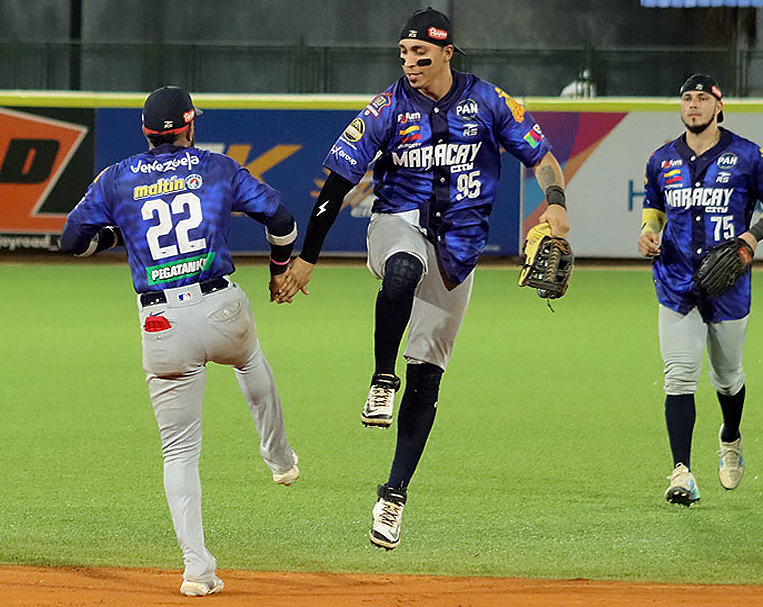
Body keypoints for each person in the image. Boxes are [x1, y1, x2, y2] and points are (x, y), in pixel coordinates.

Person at [274, 7, 569, 549]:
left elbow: (543, 157)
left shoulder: (489, 102)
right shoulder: (386, 108)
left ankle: (392, 497)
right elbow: (336, 185)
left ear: (447, 54)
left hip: (460, 251)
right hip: (397, 222)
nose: (410, 63)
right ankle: (382, 378)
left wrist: (555, 203)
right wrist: (308, 256)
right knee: (403, 269)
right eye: (405, 53)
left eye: (422, 54)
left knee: (428, 378)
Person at [59, 85, 300, 596]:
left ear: (146, 132)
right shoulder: (216, 167)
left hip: (161, 323)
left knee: (179, 453)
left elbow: (72, 241)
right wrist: (280, 268)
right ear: (190, 126)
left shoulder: (117, 177)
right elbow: (280, 218)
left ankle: (197, 572)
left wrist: (120, 233)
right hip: (221, 306)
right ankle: (279, 459)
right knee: (250, 361)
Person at [637, 74, 763, 506]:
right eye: (687, 99)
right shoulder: (662, 158)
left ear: (718, 107)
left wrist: (752, 236)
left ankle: (730, 435)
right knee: (679, 377)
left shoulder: (747, 154)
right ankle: (681, 472)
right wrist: (649, 231)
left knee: (727, 378)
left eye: (702, 99)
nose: (693, 106)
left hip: (728, 282)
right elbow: (653, 206)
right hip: (675, 280)